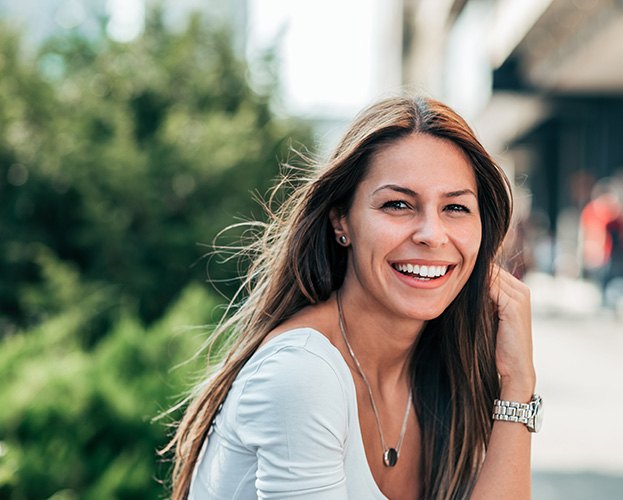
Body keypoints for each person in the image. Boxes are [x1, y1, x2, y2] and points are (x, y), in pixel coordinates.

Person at [165, 96, 542, 499]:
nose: (432, 234)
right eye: (398, 204)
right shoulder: (303, 373)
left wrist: (518, 384)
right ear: (342, 221)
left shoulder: (440, 367)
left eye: (455, 207)